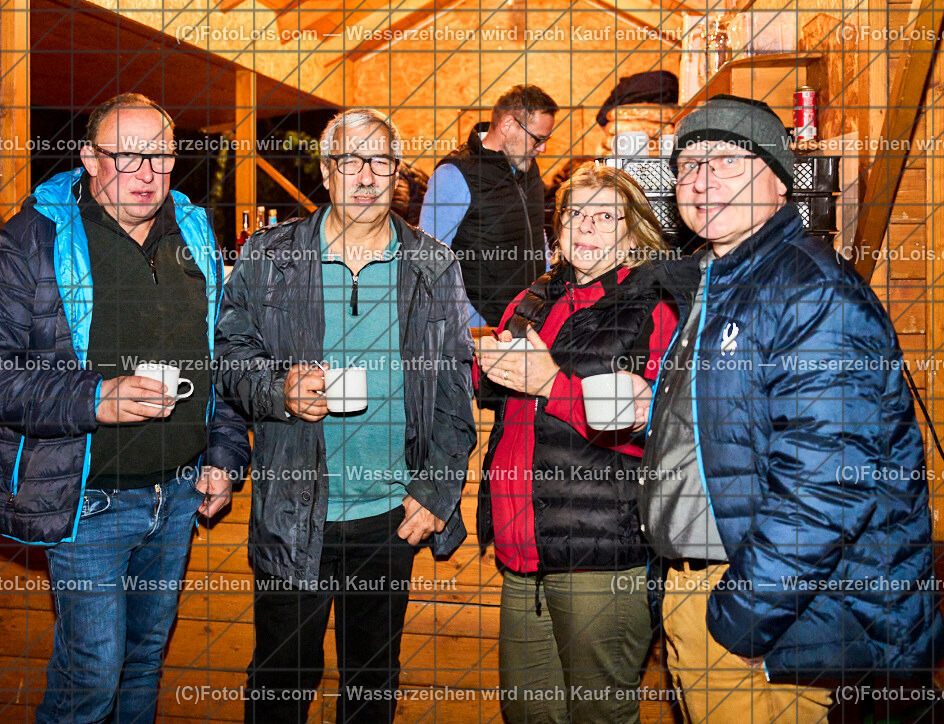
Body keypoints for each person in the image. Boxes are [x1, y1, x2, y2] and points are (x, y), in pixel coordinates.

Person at [638, 94, 944, 723]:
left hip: (772, 613)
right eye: (689, 164)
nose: (701, 179)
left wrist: (744, 620)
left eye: (725, 159)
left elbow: (828, 487)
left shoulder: (810, 291)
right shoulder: (721, 281)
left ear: (778, 179)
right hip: (711, 587)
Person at [0, 93, 250, 723]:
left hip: (177, 495)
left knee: (142, 662)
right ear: (88, 157)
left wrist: (223, 453)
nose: (148, 174)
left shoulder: (193, 231)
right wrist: (94, 398)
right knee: (93, 674)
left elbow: (216, 355)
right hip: (90, 500)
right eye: (127, 157)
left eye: (161, 156)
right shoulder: (34, 238)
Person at [214, 108, 477, 724]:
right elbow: (229, 357)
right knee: (281, 682)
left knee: (372, 685)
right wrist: (278, 388)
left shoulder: (432, 265)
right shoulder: (270, 257)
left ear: (396, 174)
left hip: (389, 519)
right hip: (293, 513)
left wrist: (437, 489)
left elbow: (452, 392)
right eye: (349, 160)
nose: (365, 176)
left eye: (380, 161)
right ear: (327, 173)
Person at [475, 162, 677, 724]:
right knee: (527, 713)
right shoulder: (534, 298)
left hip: (599, 554)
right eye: (574, 214)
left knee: (599, 716)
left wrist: (551, 384)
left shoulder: (652, 309)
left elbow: (656, 431)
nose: (585, 227)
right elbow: (503, 395)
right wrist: (484, 366)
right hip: (522, 553)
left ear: (633, 233)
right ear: (557, 229)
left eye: (604, 216)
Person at [419, 84, 558, 327]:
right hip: (482, 332)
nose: (543, 148)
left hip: (530, 322)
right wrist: (476, 327)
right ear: (507, 125)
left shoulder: (529, 167)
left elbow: (538, 235)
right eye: (538, 139)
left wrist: (548, 297)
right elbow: (429, 264)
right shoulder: (454, 174)